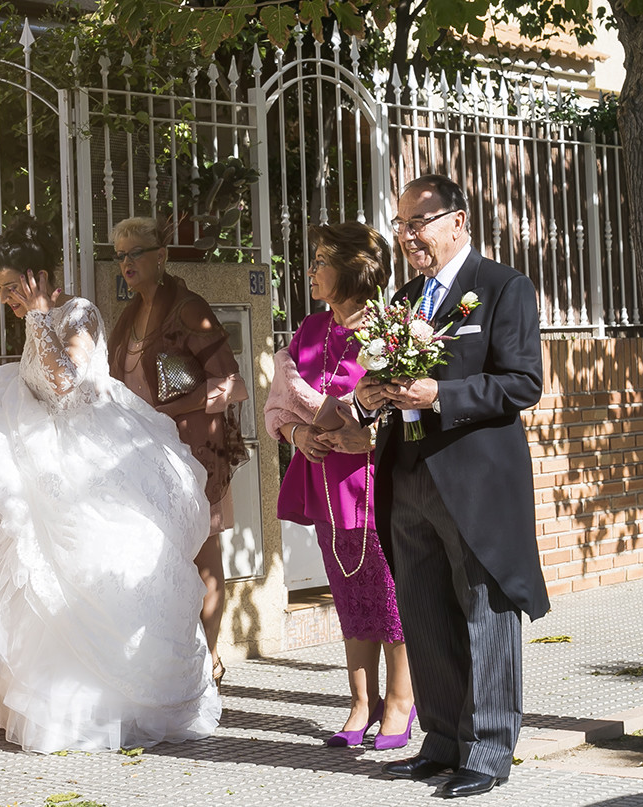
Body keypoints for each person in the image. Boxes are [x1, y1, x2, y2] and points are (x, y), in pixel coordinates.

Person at [0, 216, 220, 753]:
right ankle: (62, 711)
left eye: (13, 287)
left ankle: (124, 707)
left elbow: (66, 386)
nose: (8, 299)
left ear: (40, 278)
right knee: (37, 574)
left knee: (102, 569)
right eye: (1, 290)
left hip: (91, 464)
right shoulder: (36, 320)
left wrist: (39, 318)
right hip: (46, 467)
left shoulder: (77, 314)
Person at [354, 175, 549, 798]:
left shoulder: (502, 289)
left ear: (458, 221)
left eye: (420, 222)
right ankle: (440, 742)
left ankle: (489, 750)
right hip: (406, 474)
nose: (408, 236)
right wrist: (371, 394)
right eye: (401, 224)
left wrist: (442, 395)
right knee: (423, 609)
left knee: (485, 612)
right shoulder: (405, 299)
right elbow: (384, 372)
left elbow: (521, 383)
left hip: (473, 483)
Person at [264, 221, 415, 751]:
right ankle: (360, 700)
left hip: (380, 480)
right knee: (348, 591)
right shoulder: (308, 330)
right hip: (326, 482)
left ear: (354, 268)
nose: (310, 270)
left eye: (322, 260)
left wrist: (367, 440)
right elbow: (278, 404)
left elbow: (407, 411)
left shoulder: (394, 331)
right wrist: (298, 432)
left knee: (391, 594)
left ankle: (400, 700)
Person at [106, 216, 249, 690]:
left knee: (202, 554)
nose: (126, 262)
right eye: (119, 254)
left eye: (136, 252)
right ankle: (171, 660)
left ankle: (210, 660)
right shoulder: (127, 318)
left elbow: (234, 385)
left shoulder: (188, 309)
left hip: (194, 455)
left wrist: (165, 408)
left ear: (161, 256)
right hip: (145, 458)